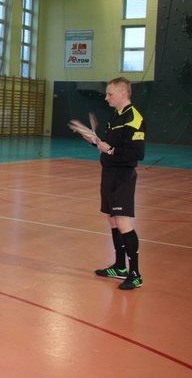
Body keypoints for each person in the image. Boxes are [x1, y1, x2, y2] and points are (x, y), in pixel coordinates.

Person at [83, 77, 146, 290]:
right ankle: (120, 266)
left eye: (110, 94)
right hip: (109, 172)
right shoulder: (115, 116)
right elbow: (111, 145)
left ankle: (135, 274)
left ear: (123, 93)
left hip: (123, 175)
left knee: (122, 221)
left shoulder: (134, 118)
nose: (106, 97)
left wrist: (109, 150)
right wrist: (95, 142)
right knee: (112, 220)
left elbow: (136, 153)